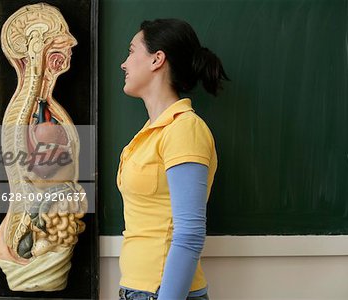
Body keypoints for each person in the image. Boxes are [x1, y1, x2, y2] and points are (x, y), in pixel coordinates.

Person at [116, 18, 229, 300]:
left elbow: (190, 233)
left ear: (157, 59)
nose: (124, 63)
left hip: (162, 293)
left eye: (131, 51)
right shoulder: (151, 132)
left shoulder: (184, 129)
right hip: (139, 290)